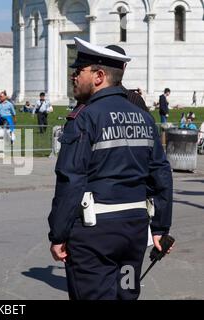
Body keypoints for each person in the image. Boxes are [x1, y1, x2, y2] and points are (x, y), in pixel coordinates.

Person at [48, 37, 173, 300]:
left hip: (96, 236)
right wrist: (160, 228)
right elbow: (161, 173)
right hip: (135, 232)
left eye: (79, 71)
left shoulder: (85, 118)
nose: (73, 77)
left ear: (99, 76)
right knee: (125, 294)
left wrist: (58, 234)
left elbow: (71, 180)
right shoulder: (143, 117)